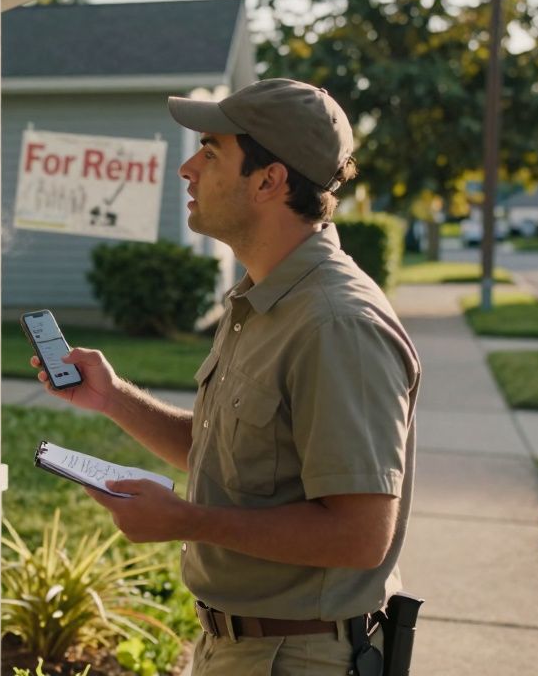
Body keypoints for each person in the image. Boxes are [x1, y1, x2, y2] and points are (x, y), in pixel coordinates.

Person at [30, 78, 421, 675]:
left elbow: (359, 534)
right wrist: (114, 399)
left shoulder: (336, 324)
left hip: (298, 656)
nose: (187, 168)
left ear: (270, 180)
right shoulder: (263, 298)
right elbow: (239, 461)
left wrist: (184, 520)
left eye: (211, 151)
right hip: (245, 646)